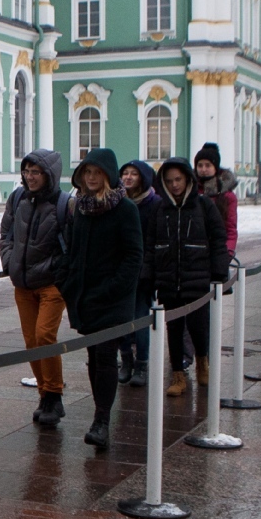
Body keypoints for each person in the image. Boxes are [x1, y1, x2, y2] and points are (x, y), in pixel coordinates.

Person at [54, 148, 144, 449]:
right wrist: (67, 283)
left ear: (108, 175)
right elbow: (73, 249)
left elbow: (133, 258)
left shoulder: (125, 209)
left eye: (97, 173)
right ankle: (101, 412)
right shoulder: (80, 207)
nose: (91, 178)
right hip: (84, 296)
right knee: (94, 358)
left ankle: (102, 420)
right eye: (87, 173)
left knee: (105, 356)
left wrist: (112, 290)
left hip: (112, 299)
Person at [143, 158, 230, 398]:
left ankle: (202, 360)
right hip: (169, 278)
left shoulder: (203, 206)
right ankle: (178, 374)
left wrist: (219, 272)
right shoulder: (161, 210)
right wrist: (148, 276)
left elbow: (218, 238)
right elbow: (150, 245)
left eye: (178, 179)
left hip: (197, 277)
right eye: (169, 181)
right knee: (173, 328)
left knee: (198, 326)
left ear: (188, 179)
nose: (174, 185)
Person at [0, 150, 69, 426]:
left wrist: (59, 270)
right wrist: (9, 261)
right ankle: (45, 394)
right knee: (31, 342)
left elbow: (70, 244)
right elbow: (6, 233)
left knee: (44, 336)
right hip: (23, 283)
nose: (30, 177)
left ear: (48, 174)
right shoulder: (17, 199)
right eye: (27, 171)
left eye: (36, 172)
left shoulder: (63, 204)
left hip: (51, 284)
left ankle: (54, 394)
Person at [116, 160, 159, 388]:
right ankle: (126, 360)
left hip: (142, 271)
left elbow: (153, 239)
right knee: (121, 317)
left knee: (140, 317)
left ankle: (142, 363)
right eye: (125, 173)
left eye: (134, 174)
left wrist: (147, 269)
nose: (128, 177)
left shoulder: (153, 203)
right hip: (119, 269)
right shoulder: (117, 201)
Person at [193, 142, 239, 255]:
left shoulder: (227, 196)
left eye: (208, 165)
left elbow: (230, 229)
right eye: (200, 165)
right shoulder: (189, 191)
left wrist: (227, 253)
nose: (203, 169)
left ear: (215, 167)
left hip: (217, 251)